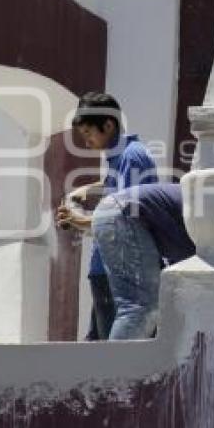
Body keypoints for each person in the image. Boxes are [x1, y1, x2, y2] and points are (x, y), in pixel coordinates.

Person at [55, 92, 157, 340]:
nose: (86, 141)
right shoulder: (119, 159)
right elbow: (115, 190)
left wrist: (75, 220)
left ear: (108, 125)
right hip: (109, 268)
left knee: (110, 355)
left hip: (121, 271)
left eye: (89, 133)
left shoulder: (132, 157)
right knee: (97, 345)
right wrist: (86, 191)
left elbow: (124, 217)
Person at [92, 183, 196, 340]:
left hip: (117, 212)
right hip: (124, 214)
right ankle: (117, 364)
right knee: (141, 306)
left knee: (143, 306)